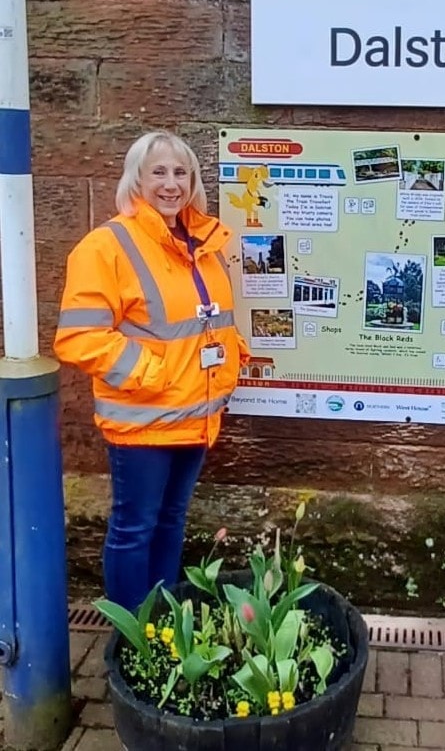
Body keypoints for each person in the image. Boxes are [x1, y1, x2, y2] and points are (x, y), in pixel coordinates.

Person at [54, 131, 250, 612]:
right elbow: (79, 338)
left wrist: (232, 351)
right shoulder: (106, 247)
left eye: (180, 172)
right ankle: (130, 637)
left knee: (170, 523)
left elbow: (203, 320)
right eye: (158, 172)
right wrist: (155, 373)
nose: (170, 184)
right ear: (136, 178)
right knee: (134, 528)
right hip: (143, 423)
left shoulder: (200, 242)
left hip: (195, 415)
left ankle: (163, 625)